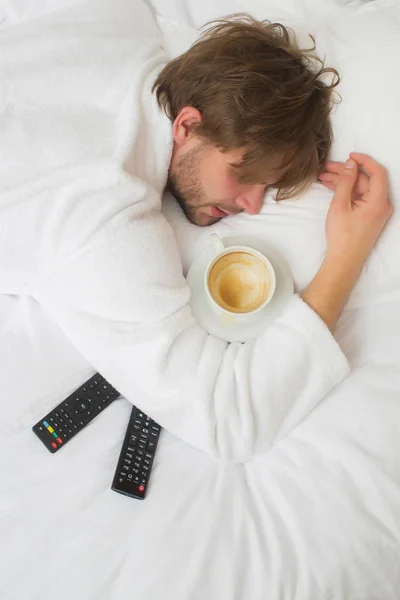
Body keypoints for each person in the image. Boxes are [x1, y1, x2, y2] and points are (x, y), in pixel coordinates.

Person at [0, 1, 392, 462]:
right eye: (243, 174)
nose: (251, 204)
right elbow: (226, 418)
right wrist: (348, 252)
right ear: (187, 124)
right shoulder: (101, 218)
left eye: (264, 187)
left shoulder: (111, 20)